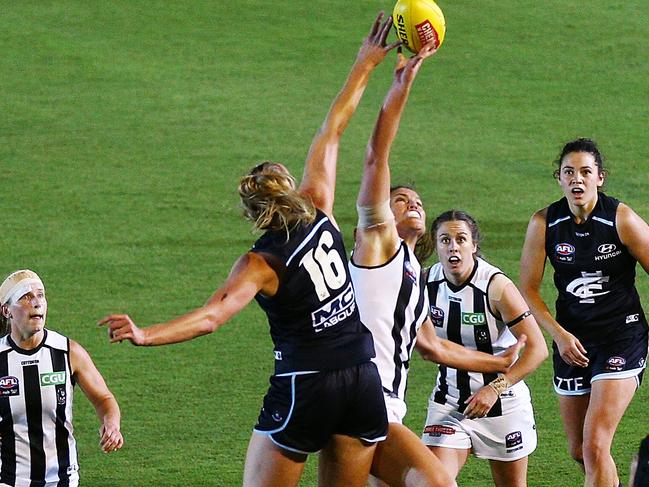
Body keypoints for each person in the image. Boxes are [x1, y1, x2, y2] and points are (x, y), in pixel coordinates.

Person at [99, 14, 401, 487]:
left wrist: (145, 334)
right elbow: (335, 126)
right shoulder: (319, 203)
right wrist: (365, 63)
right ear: (289, 189)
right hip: (362, 377)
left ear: (253, 212)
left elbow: (211, 317)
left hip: (306, 383)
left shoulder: (260, 263)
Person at [349, 45, 528, 487]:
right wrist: (398, 87)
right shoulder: (376, 241)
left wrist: (497, 367)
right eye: (399, 200)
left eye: (417, 202)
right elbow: (376, 157)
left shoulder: (412, 270)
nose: (412, 203)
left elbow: (435, 348)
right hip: (356, 396)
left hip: (382, 403)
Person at [519, 138, 649, 487]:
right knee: (579, 450)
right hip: (573, 341)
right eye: (569, 172)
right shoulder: (544, 223)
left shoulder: (621, 219)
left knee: (594, 445)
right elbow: (528, 288)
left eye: (586, 172)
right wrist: (558, 335)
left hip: (621, 337)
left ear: (600, 178)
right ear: (559, 178)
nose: (577, 179)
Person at [420, 210, 548, 487]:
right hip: (450, 403)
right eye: (445, 240)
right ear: (435, 245)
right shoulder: (425, 284)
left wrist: (495, 388)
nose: (453, 246)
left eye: (461, 239)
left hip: (503, 405)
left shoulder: (496, 287)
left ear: (473, 246)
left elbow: (537, 349)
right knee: (432, 481)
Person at [0, 269, 123, 487]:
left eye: (40, 295)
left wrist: (111, 424)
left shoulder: (67, 351)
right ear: (7, 310)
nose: (36, 303)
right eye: (26, 297)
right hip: (9, 480)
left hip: (62, 479)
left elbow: (104, 398)